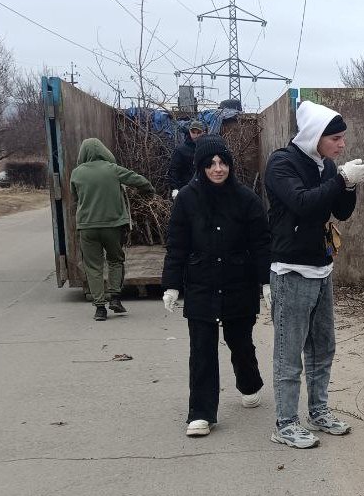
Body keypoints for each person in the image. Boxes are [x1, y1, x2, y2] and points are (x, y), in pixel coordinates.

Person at [264, 100, 364, 449]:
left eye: (342, 139)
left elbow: (340, 210)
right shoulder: (282, 163)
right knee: (289, 351)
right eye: (335, 138)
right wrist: (340, 178)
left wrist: (349, 186)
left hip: (321, 268)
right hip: (291, 270)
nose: (341, 145)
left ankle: (318, 411)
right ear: (315, 135)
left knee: (323, 347)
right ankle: (285, 422)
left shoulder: (324, 166)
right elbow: (303, 203)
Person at [160, 135, 271, 438]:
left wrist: (266, 282)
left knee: (240, 341)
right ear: (200, 167)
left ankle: (249, 383)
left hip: (239, 282)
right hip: (201, 283)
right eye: (210, 164)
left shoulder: (246, 198)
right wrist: (171, 284)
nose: (218, 169)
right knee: (202, 350)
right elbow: (177, 244)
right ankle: (201, 412)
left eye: (223, 163)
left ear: (230, 165)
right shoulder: (187, 198)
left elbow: (261, 242)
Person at [69, 138, 154, 321]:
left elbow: (75, 198)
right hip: (112, 226)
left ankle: (100, 308)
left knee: (93, 266)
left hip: (87, 227)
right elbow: (139, 180)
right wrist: (148, 190)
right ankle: (115, 297)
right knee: (115, 260)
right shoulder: (113, 169)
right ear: (104, 151)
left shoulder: (76, 173)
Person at [168, 119, 206, 196]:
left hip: (204, 189)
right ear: (189, 132)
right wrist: (175, 189)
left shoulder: (207, 148)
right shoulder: (180, 150)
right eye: (193, 132)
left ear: (203, 132)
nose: (196, 135)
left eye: (198, 132)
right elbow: (174, 170)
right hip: (187, 189)